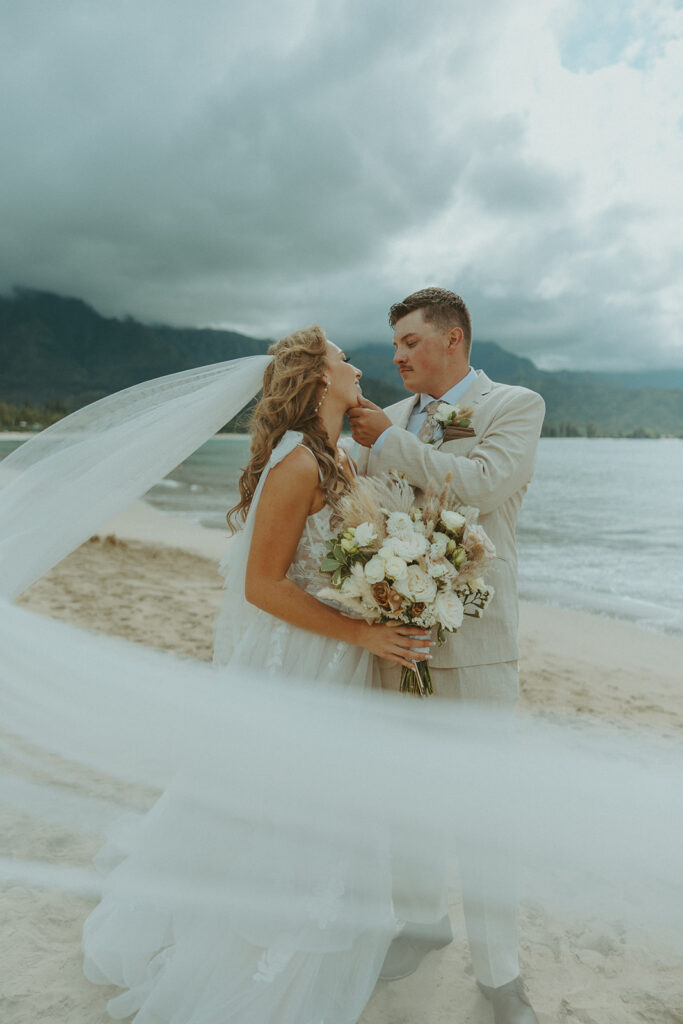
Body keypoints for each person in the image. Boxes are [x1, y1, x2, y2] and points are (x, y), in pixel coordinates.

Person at [81, 325, 432, 1024]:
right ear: (319, 379)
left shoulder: (342, 457)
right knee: (281, 812)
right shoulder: (298, 463)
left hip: (342, 665)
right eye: (343, 360)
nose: (357, 367)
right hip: (304, 666)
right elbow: (261, 587)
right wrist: (363, 628)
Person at [348, 287, 545, 1024]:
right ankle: (421, 921)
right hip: (394, 639)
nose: (395, 356)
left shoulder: (513, 405)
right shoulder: (387, 421)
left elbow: (484, 485)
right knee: (405, 798)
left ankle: (500, 977)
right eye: (394, 343)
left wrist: (382, 439)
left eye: (408, 341)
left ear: (453, 338)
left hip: (477, 641)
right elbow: (359, 510)